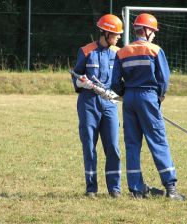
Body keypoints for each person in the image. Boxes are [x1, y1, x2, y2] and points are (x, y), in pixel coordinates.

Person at [111, 13, 186, 200]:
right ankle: (171, 188)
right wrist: (158, 98)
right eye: (154, 31)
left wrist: (125, 93)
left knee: (132, 144)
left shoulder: (122, 52)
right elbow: (164, 79)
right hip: (148, 97)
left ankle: (136, 190)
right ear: (148, 30)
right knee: (158, 141)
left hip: (129, 99)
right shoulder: (155, 50)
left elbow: (114, 82)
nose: (154, 35)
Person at [72, 14, 123, 198]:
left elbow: (120, 81)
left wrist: (117, 93)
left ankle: (114, 189)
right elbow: (76, 76)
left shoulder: (118, 53)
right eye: (116, 34)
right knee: (89, 146)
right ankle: (91, 189)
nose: (118, 37)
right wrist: (81, 83)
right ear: (106, 32)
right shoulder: (86, 51)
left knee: (113, 147)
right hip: (88, 103)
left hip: (109, 104)